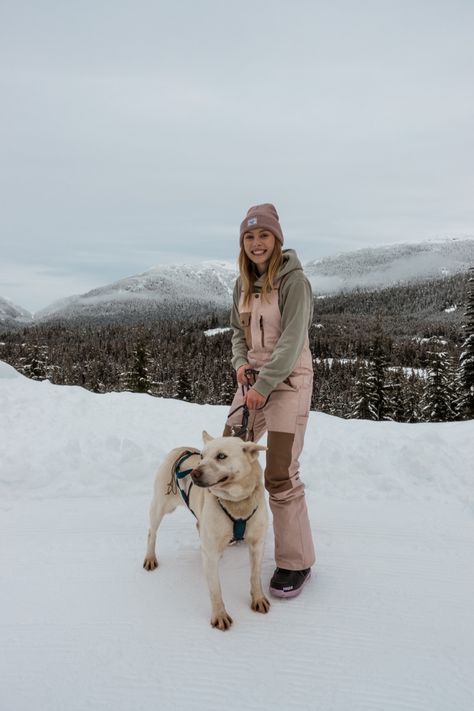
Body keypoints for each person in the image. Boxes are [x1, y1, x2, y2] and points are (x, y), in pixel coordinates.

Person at [223, 203, 316, 598]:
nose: (256, 243)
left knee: (279, 472)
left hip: (288, 382)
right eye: (249, 236)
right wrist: (241, 364)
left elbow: (293, 340)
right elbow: (237, 333)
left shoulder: (295, 282)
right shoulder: (243, 283)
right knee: (224, 452)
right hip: (252, 381)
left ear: (277, 239)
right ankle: (235, 524)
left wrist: (265, 384)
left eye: (263, 235)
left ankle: (296, 562)